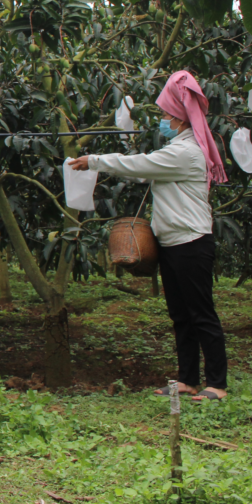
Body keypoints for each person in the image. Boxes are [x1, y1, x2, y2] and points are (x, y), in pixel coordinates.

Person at [68, 70, 229, 402]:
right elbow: (147, 169)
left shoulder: (185, 153)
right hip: (172, 243)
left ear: (183, 120)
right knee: (181, 316)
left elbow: (140, 164)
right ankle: (187, 379)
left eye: (168, 115)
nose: (163, 121)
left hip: (191, 243)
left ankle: (218, 383)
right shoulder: (178, 147)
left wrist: (95, 161)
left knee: (201, 314)